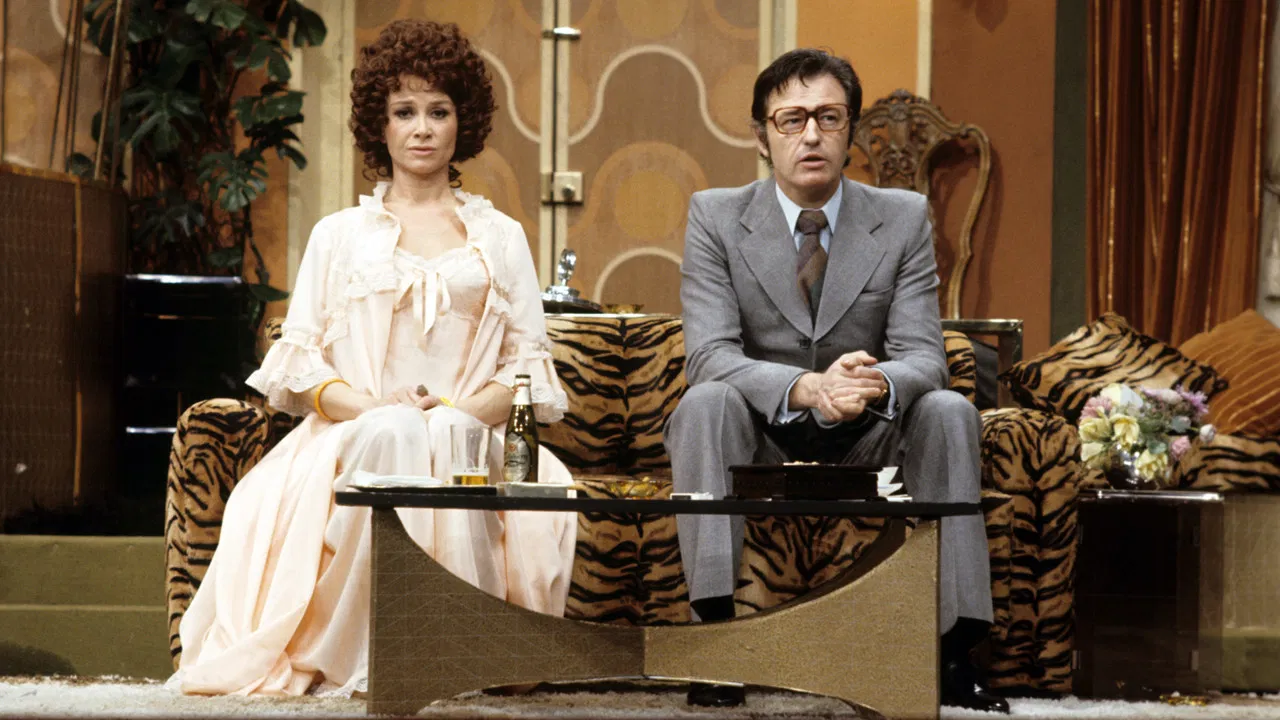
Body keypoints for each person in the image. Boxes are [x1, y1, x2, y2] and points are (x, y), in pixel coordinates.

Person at [171, 19, 577, 697]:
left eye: (439, 112)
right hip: (355, 430)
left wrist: (453, 411)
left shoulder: (501, 237)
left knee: (445, 435)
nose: (422, 129)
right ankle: (373, 658)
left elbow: (525, 370)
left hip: (470, 429)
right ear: (378, 125)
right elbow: (301, 370)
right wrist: (378, 407)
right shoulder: (339, 236)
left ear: (463, 122)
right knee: (395, 433)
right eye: (404, 112)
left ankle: (460, 654)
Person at [663, 48, 1008, 714]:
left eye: (828, 117)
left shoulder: (902, 216)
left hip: (866, 432)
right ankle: (716, 642)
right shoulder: (716, 215)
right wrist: (807, 388)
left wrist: (866, 385)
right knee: (704, 402)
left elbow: (923, 356)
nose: (811, 135)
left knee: (948, 409)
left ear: (851, 131)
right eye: (791, 119)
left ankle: (954, 652)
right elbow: (709, 354)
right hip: (761, 436)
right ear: (761, 135)